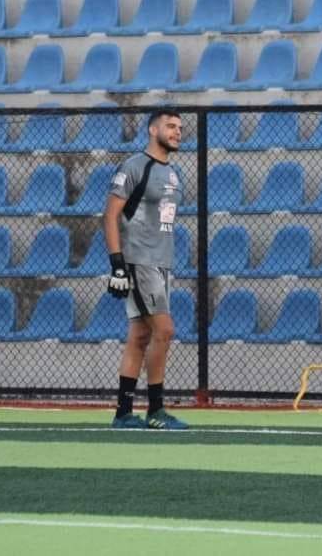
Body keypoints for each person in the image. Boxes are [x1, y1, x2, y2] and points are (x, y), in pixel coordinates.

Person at [105, 109, 188, 430]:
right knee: (164, 331)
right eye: (170, 126)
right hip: (139, 262)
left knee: (139, 335)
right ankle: (156, 410)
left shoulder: (173, 173)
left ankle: (124, 413)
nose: (177, 132)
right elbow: (110, 215)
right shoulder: (134, 166)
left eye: (180, 127)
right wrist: (117, 264)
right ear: (153, 130)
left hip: (162, 262)